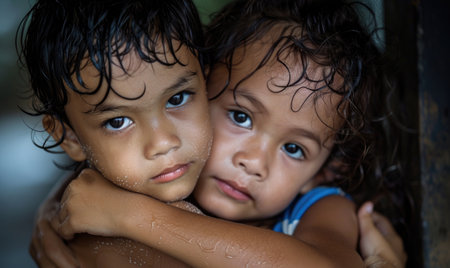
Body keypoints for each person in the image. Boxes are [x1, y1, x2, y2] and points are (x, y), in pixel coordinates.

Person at [24, 0, 408, 267]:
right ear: (205, 83)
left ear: (324, 170)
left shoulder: (320, 210)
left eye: (294, 148)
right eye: (240, 117)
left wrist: (132, 217)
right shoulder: (161, 173)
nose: (252, 162)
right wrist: (56, 204)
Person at [17, 0, 213, 266]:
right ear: (69, 137)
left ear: (208, 81)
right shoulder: (117, 251)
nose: (163, 143)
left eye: (177, 98)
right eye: (118, 122)